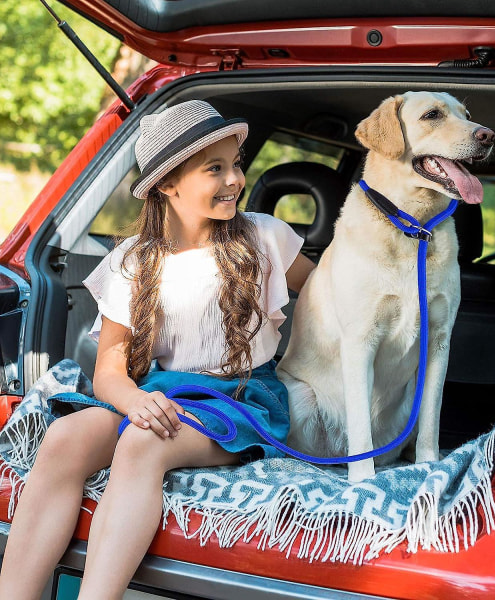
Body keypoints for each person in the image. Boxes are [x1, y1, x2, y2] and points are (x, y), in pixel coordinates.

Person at [0, 100, 316, 600]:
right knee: (64, 438)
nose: (235, 179)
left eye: (236, 164)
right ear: (167, 184)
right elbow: (108, 372)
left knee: (142, 444)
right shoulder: (131, 261)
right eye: (215, 168)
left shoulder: (264, 237)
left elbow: (329, 294)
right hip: (160, 391)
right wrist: (133, 401)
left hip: (239, 398)